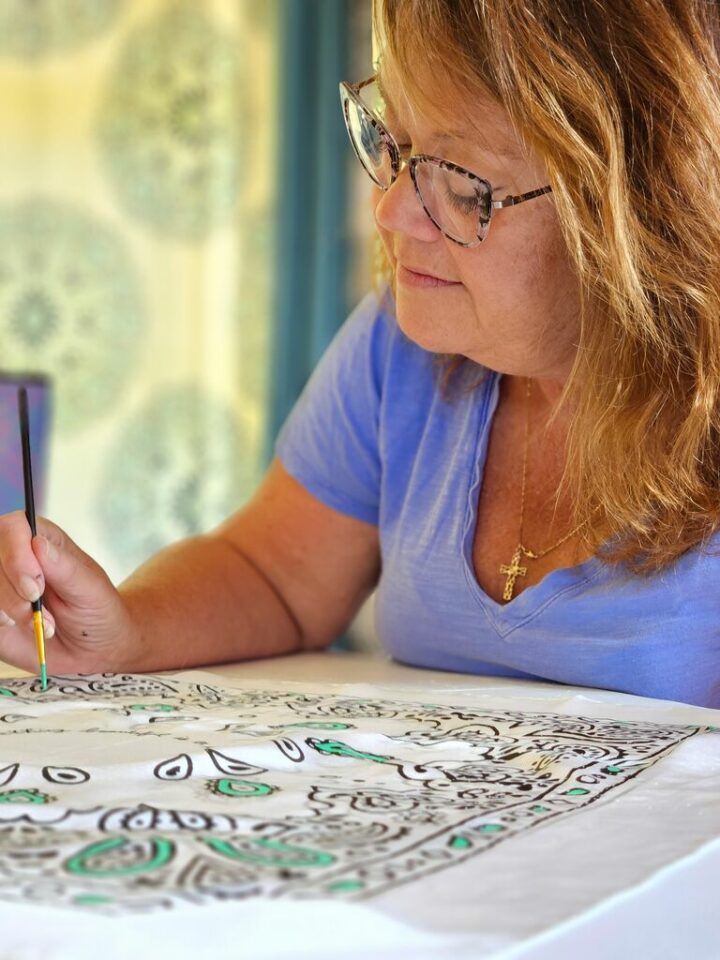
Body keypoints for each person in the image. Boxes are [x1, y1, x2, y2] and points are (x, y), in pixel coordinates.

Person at [0, 0, 719, 707]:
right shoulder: (400, 347)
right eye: (394, 146)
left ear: (642, 211)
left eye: (464, 186)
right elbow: (273, 575)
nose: (390, 211)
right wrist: (127, 632)